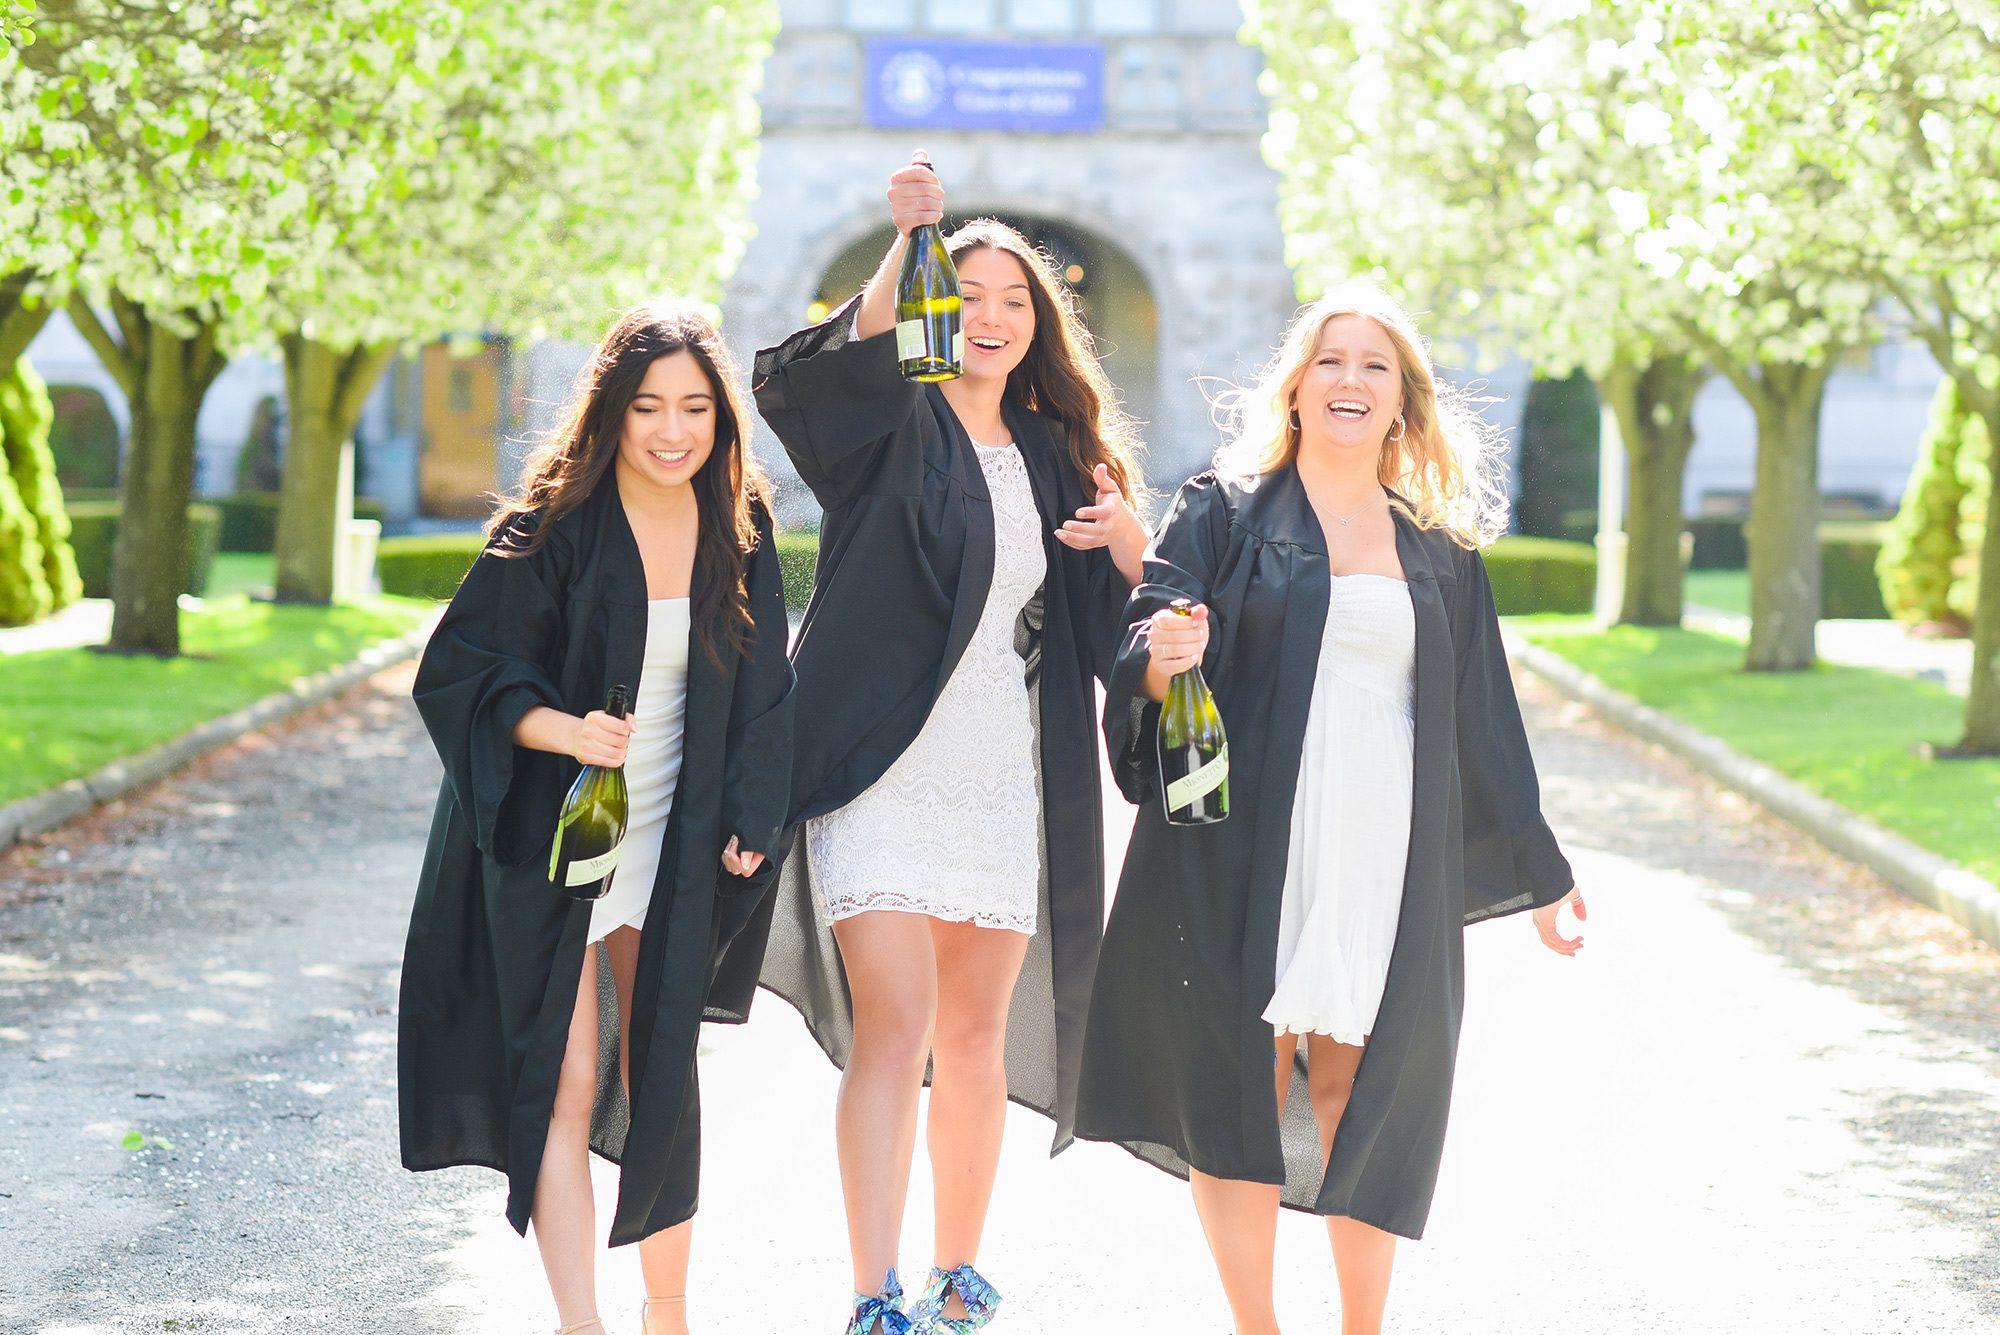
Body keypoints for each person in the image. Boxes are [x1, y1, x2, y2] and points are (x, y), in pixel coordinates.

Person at [1075, 284, 1587, 1335]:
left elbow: (1480, 717)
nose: (1349, 381)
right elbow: (1144, 628)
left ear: (1402, 402)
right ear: (1295, 387)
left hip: (1381, 840)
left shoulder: (1435, 546)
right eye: (1329, 362)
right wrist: (1164, 662)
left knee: (1364, 1085)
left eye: (1373, 367)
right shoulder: (1221, 508)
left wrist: (1540, 870)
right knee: (1238, 1079)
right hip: (1245, 837)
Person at [745, 153, 1147, 1334]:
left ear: (1041, 324)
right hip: (883, 763)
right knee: (898, 1026)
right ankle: (874, 1292)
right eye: (966, 293)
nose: (990, 315)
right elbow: (816, 372)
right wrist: (902, 245)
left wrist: (1129, 543)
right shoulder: (889, 428)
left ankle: (956, 1281)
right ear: (935, 306)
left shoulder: (1060, 459)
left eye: (1014, 299)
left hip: (1006, 773)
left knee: (973, 1039)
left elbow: (1115, 637)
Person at [399, 304, 794, 1335]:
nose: (672, 431)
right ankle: (584, 1324)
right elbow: (460, 677)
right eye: (648, 407)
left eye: (695, 408)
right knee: (566, 1077)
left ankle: (668, 1314)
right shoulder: (553, 530)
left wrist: (753, 814)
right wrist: (562, 733)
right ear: (611, 413)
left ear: (720, 419)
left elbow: (763, 695)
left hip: (676, 829)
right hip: (559, 835)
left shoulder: (738, 526)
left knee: (661, 1069)